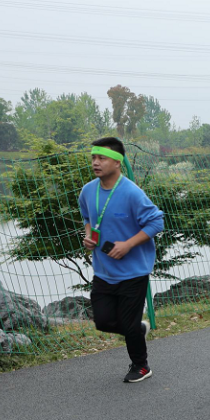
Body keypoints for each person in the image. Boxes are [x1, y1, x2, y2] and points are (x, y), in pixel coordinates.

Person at [79, 137, 165, 384]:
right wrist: (88, 236)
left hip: (133, 271)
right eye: (94, 158)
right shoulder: (87, 191)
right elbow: (87, 217)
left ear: (117, 162)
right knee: (103, 321)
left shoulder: (131, 193)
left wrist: (128, 244)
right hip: (104, 270)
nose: (96, 163)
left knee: (127, 323)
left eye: (102, 158)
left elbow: (156, 221)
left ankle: (141, 365)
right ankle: (137, 330)